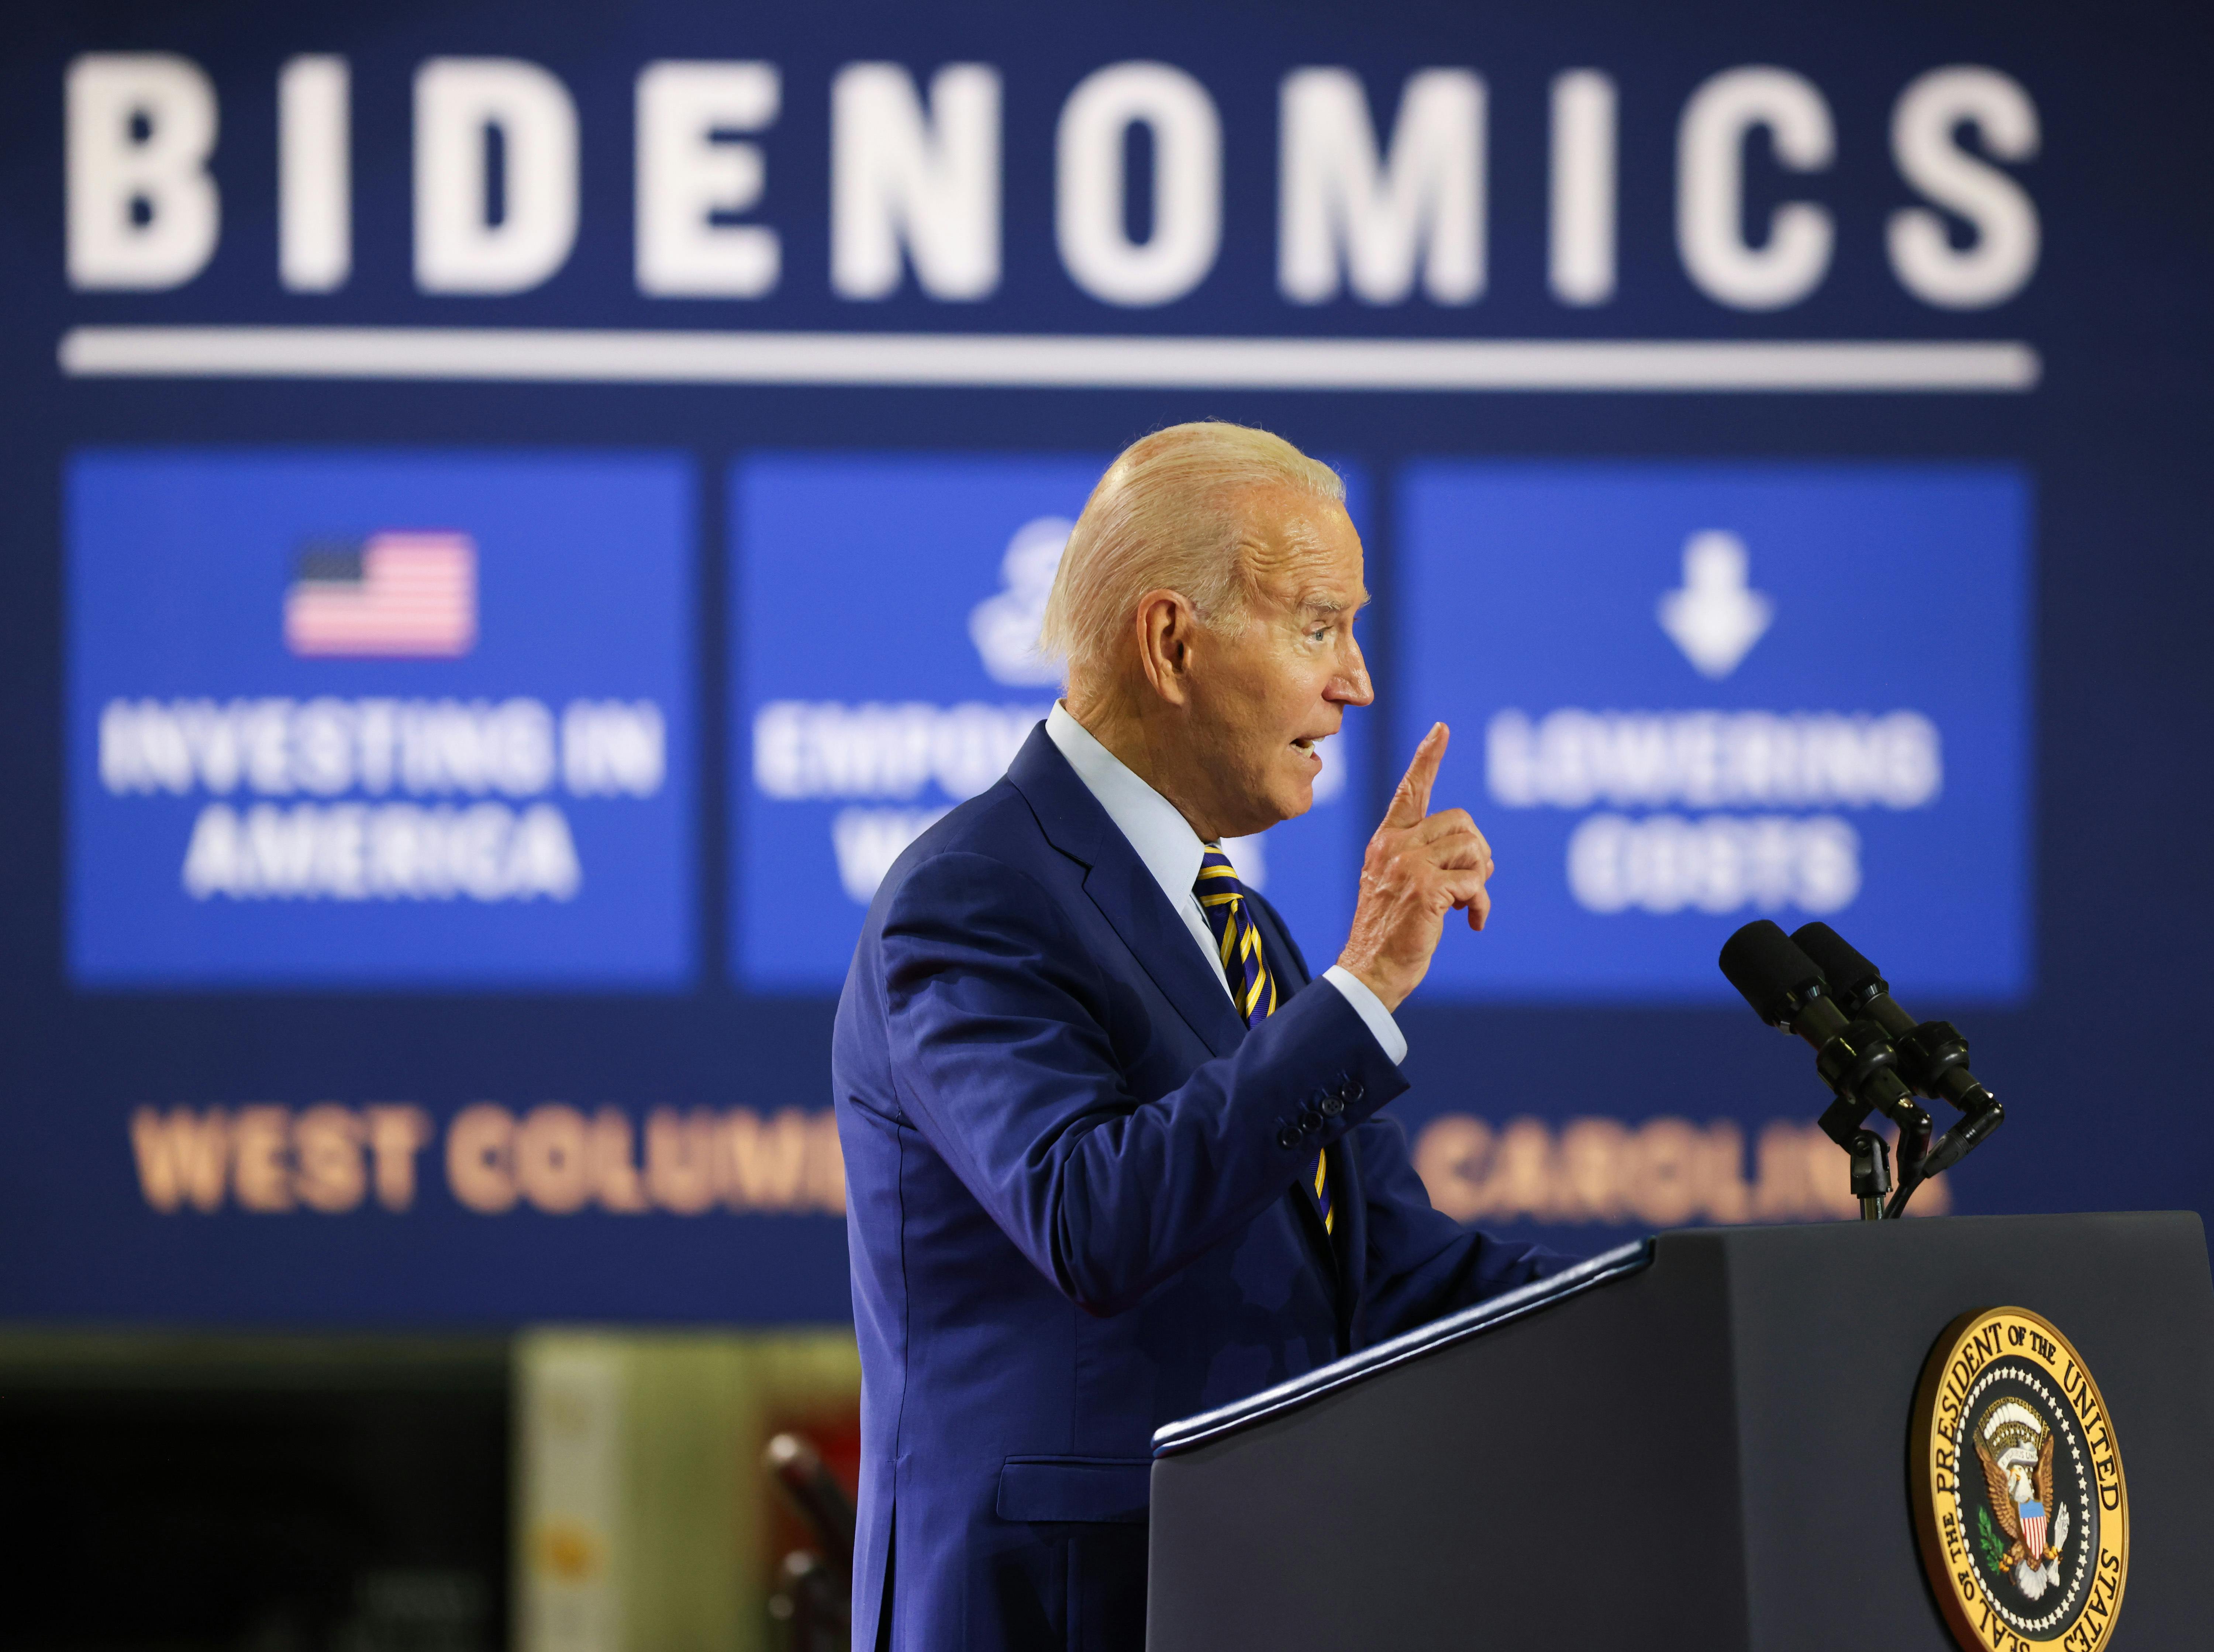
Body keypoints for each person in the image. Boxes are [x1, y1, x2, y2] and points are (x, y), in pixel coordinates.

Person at [832, 421, 1569, 1651]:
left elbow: (1391, 1276)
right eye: (1320, 625)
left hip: (1253, 1592)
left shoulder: (1247, 932)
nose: (1359, 681)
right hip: (1060, 1613)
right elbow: (1088, 1216)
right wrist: (1360, 993)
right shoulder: (971, 894)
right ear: (1172, 642)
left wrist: (1696, 1305)